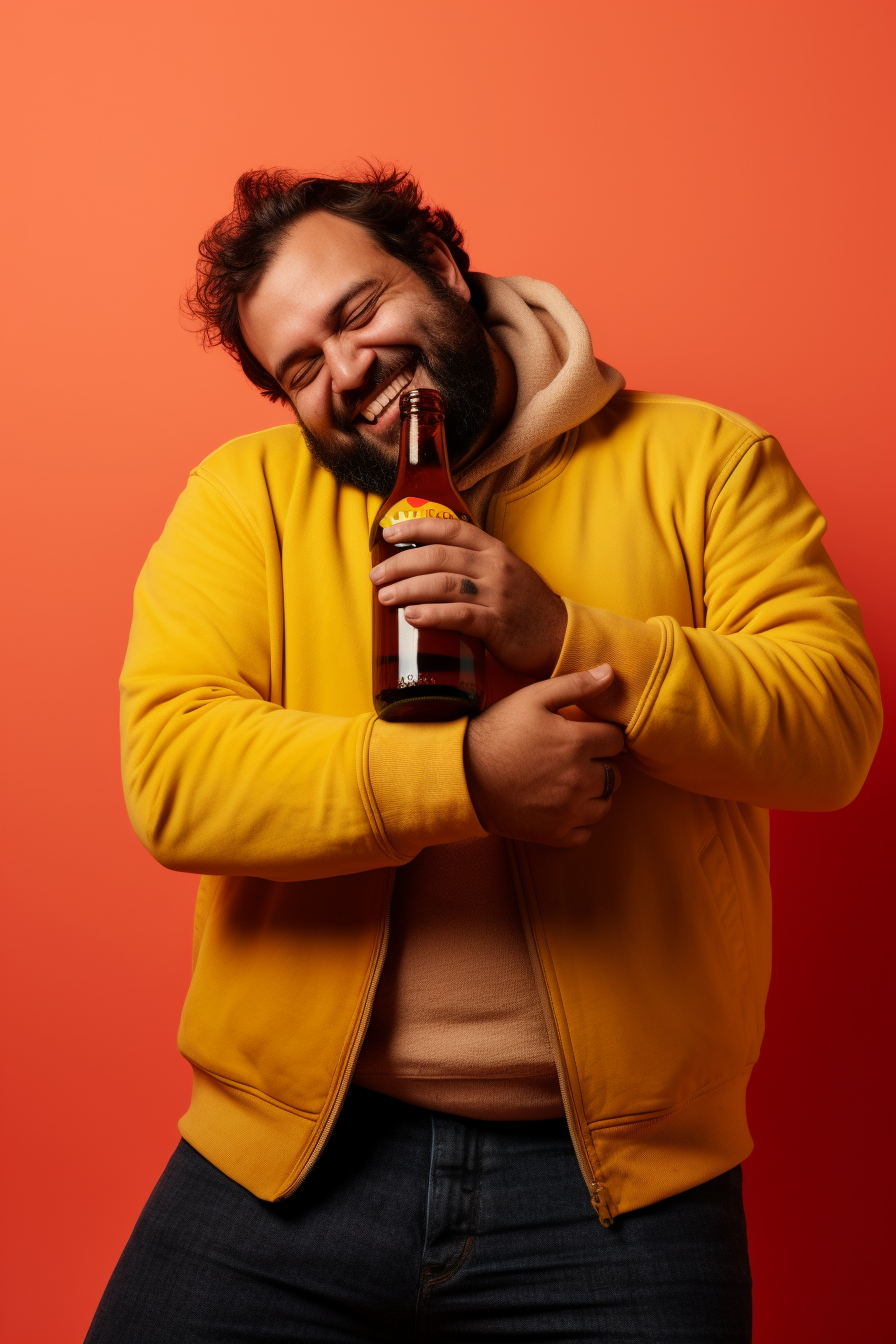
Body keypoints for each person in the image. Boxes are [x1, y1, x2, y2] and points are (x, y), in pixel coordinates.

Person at [86, 166, 881, 1343]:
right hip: (291, 1160)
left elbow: (829, 733)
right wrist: (464, 782)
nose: (347, 370)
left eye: (357, 312)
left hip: (624, 1187)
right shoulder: (240, 499)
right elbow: (175, 779)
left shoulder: (704, 460)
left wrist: (564, 634)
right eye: (299, 366)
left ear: (445, 268)